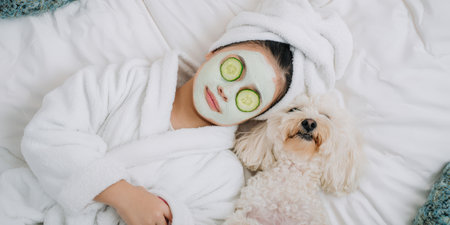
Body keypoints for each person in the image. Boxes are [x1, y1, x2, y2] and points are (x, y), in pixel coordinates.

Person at [1, 0, 353, 224]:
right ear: (214, 52)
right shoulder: (125, 80)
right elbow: (48, 134)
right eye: (233, 68)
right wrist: (125, 195)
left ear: (258, 114)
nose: (227, 90)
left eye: (249, 97)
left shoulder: (223, 178)